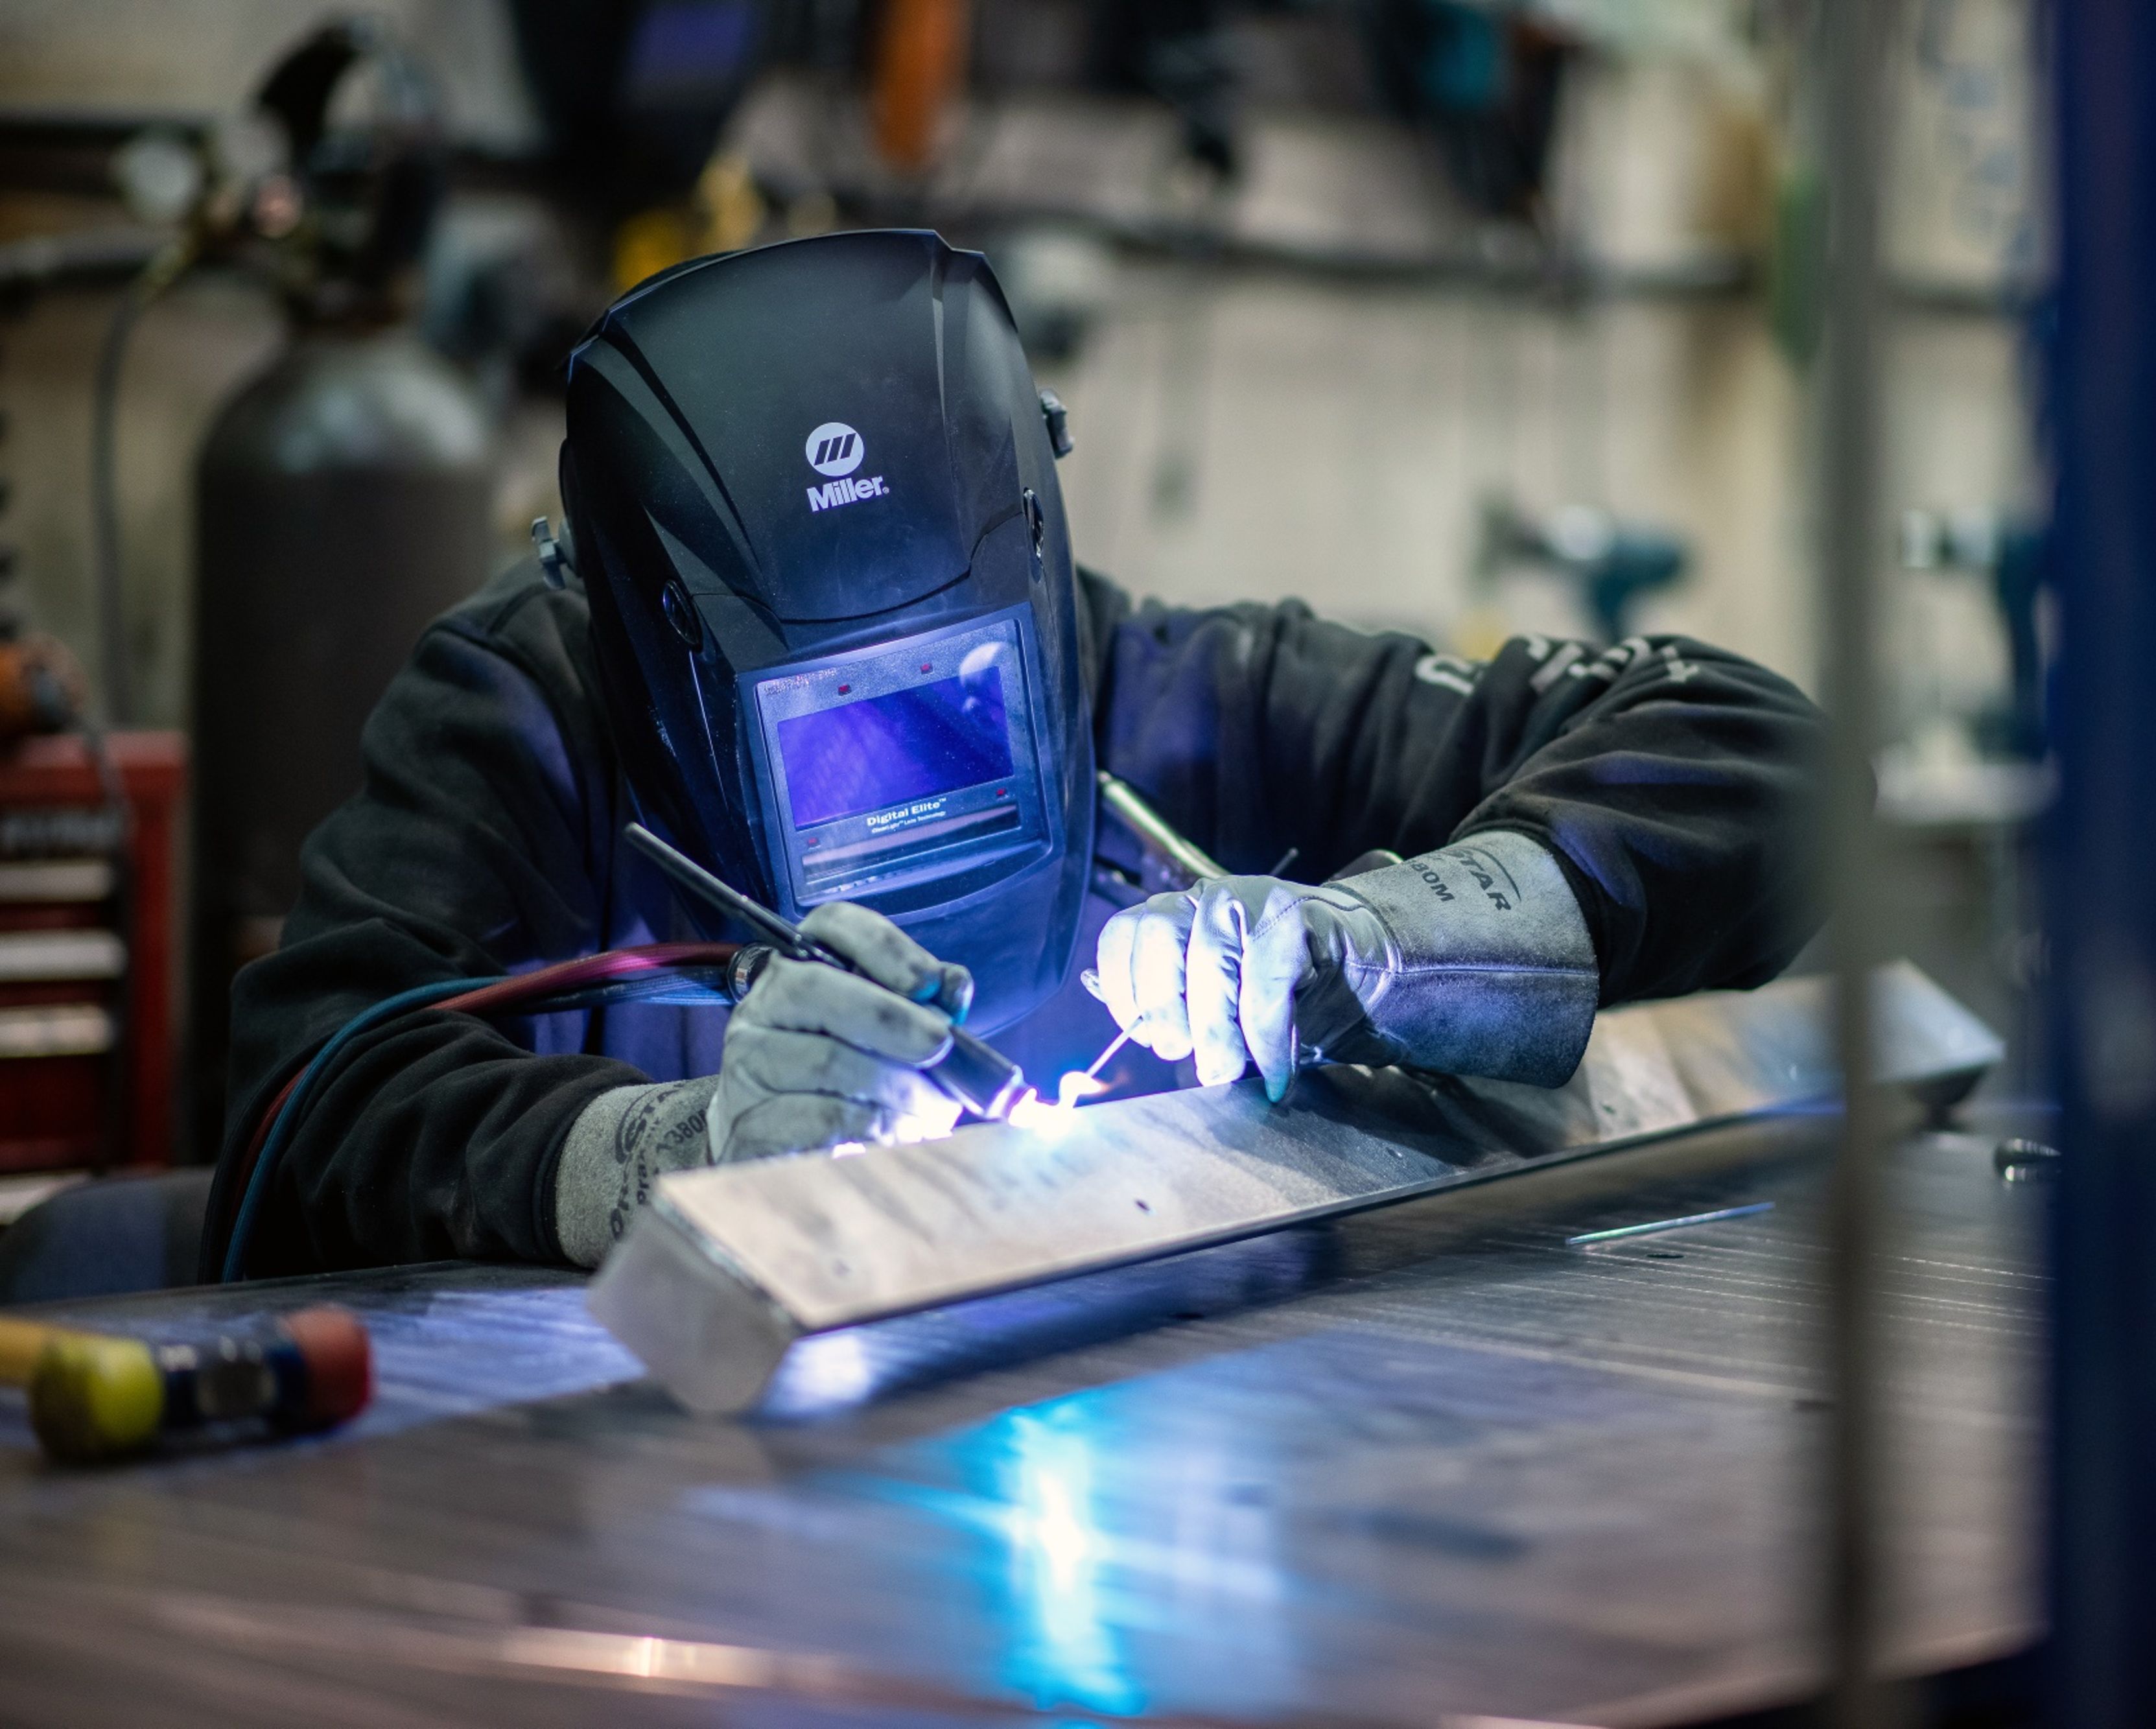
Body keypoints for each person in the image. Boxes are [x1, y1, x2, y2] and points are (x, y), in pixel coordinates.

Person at [204, 231, 1832, 1281]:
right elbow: (306, 1104)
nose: (909, 784)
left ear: (1037, 586)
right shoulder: (530, 717)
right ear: (665, 658)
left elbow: (1756, 751)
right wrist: (667, 1151)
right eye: (834, 731)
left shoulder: (1150, 683)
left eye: (962, 695)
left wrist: (1387, 939)